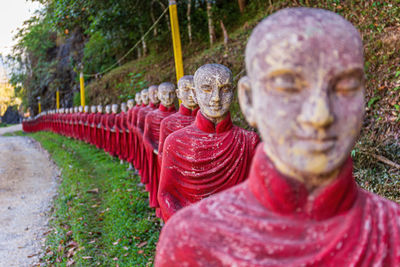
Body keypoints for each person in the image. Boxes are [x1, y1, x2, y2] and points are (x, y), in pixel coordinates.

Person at [155, 8, 400, 266]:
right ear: (249, 101)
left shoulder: (392, 230)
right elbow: (167, 193)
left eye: (345, 87)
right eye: (288, 87)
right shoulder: (189, 241)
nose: (320, 114)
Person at [157, 63, 260, 222]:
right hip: (192, 232)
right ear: (195, 94)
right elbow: (166, 195)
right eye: (206, 89)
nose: (216, 98)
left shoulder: (249, 141)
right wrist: (186, 228)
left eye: (224, 89)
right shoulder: (175, 142)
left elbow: (259, 195)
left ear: (234, 94)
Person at [143, 82, 177, 210]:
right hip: (158, 155)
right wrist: (154, 149)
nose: (167, 97)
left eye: (171, 94)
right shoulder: (151, 116)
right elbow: (146, 136)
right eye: (163, 94)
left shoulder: (178, 116)